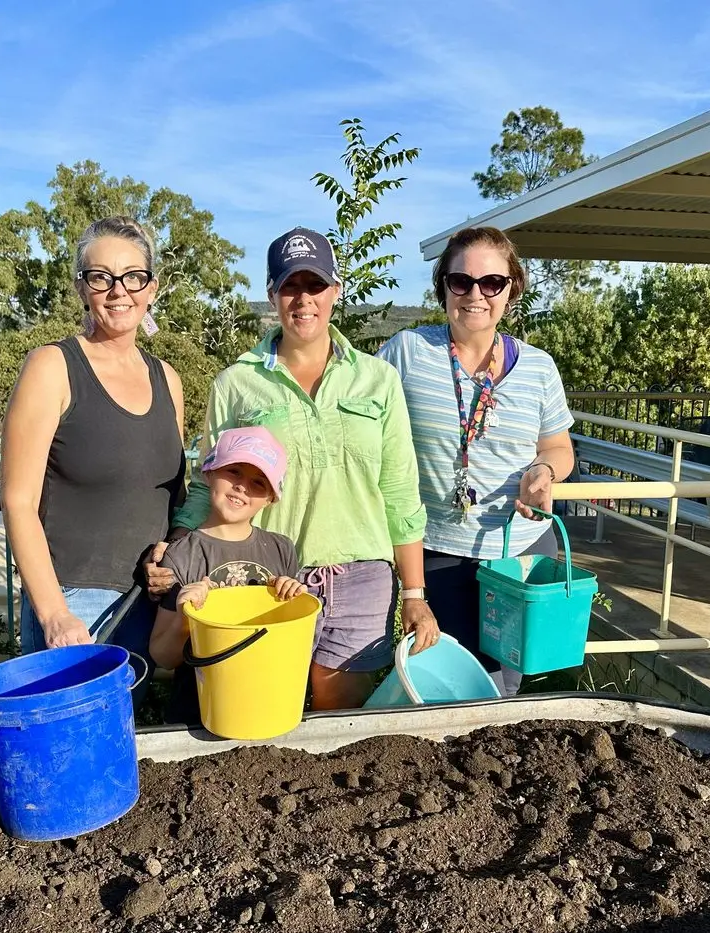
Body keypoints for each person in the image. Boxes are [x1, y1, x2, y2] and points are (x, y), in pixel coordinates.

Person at [155, 227, 436, 711]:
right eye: (290, 286)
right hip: (266, 576)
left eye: (315, 285)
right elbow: (208, 486)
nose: (303, 299)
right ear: (272, 294)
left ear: (336, 291)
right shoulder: (236, 383)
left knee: (338, 718)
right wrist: (176, 555)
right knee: (258, 705)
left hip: (362, 576)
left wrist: (414, 593)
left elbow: (400, 493)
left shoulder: (378, 379)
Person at [377, 226, 576, 693]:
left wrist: (544, 471)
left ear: (512, 289)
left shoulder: (538, 367)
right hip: (437, 552)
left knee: (506, 689)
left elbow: (559, 447)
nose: (475, 295)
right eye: (460, 281)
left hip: (519, 553)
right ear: (443, 286)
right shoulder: (406, 353)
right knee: (442, 686)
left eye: (492, 283)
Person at [0, 215, 187, 689]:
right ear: (83, 287)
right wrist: (55, 615)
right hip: (76, 608)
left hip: (149, 603)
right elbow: (18, 502)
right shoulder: (53, 367)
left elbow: (175, 496)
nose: (118, 290)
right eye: (101, 277)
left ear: (153, 288)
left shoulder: (168, 379)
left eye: (133, 277)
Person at [150, 426, 306, 725]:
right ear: (209, 471)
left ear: (271, 498)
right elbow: (164, 656)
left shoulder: (280, 549)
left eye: (258, 483)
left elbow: (288, 639)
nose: (242, 487)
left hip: (268, 705)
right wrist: (186, 617)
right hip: (201, 712)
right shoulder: (181, 554)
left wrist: (293, 597)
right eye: (233, 471)